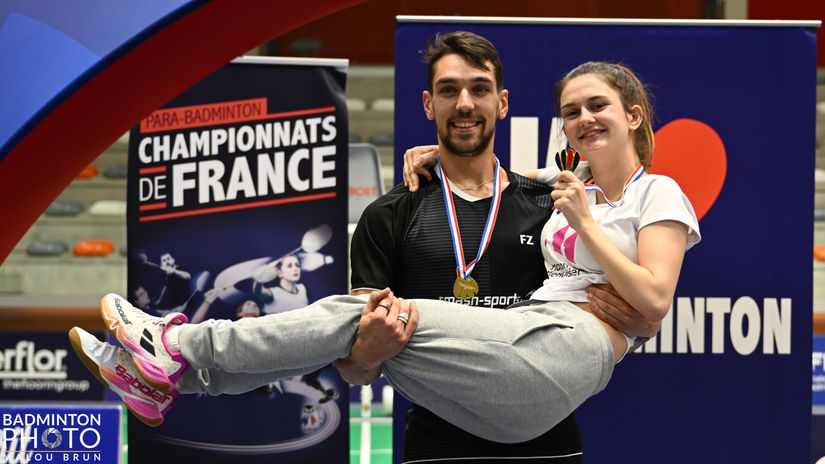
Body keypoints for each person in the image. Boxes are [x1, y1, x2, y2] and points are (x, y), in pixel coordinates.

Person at [69, 58, 700, 445]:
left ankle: (176, 346)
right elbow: (517, 177)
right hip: (525, 342)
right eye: (571, 111)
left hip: (571, 348)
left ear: (636, 116)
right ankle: (170, 383)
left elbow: (653, 302)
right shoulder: (568, 186)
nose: (583, 119)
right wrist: (440, 157)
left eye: (599, 107)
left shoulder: (658, 193)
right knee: (368, 330)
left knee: (365, 309)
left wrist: (588, 228)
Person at [337, 31, 655, 463]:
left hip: (547, 447)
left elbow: (630, 301)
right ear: (429, 104)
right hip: (437, 449)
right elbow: (356, 369)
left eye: (479, 89)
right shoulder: (387, 216)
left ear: (501, 103)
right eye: (449, 90)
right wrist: (365, 356)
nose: (465, 103)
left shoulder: (554, 209)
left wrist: (640, 324)